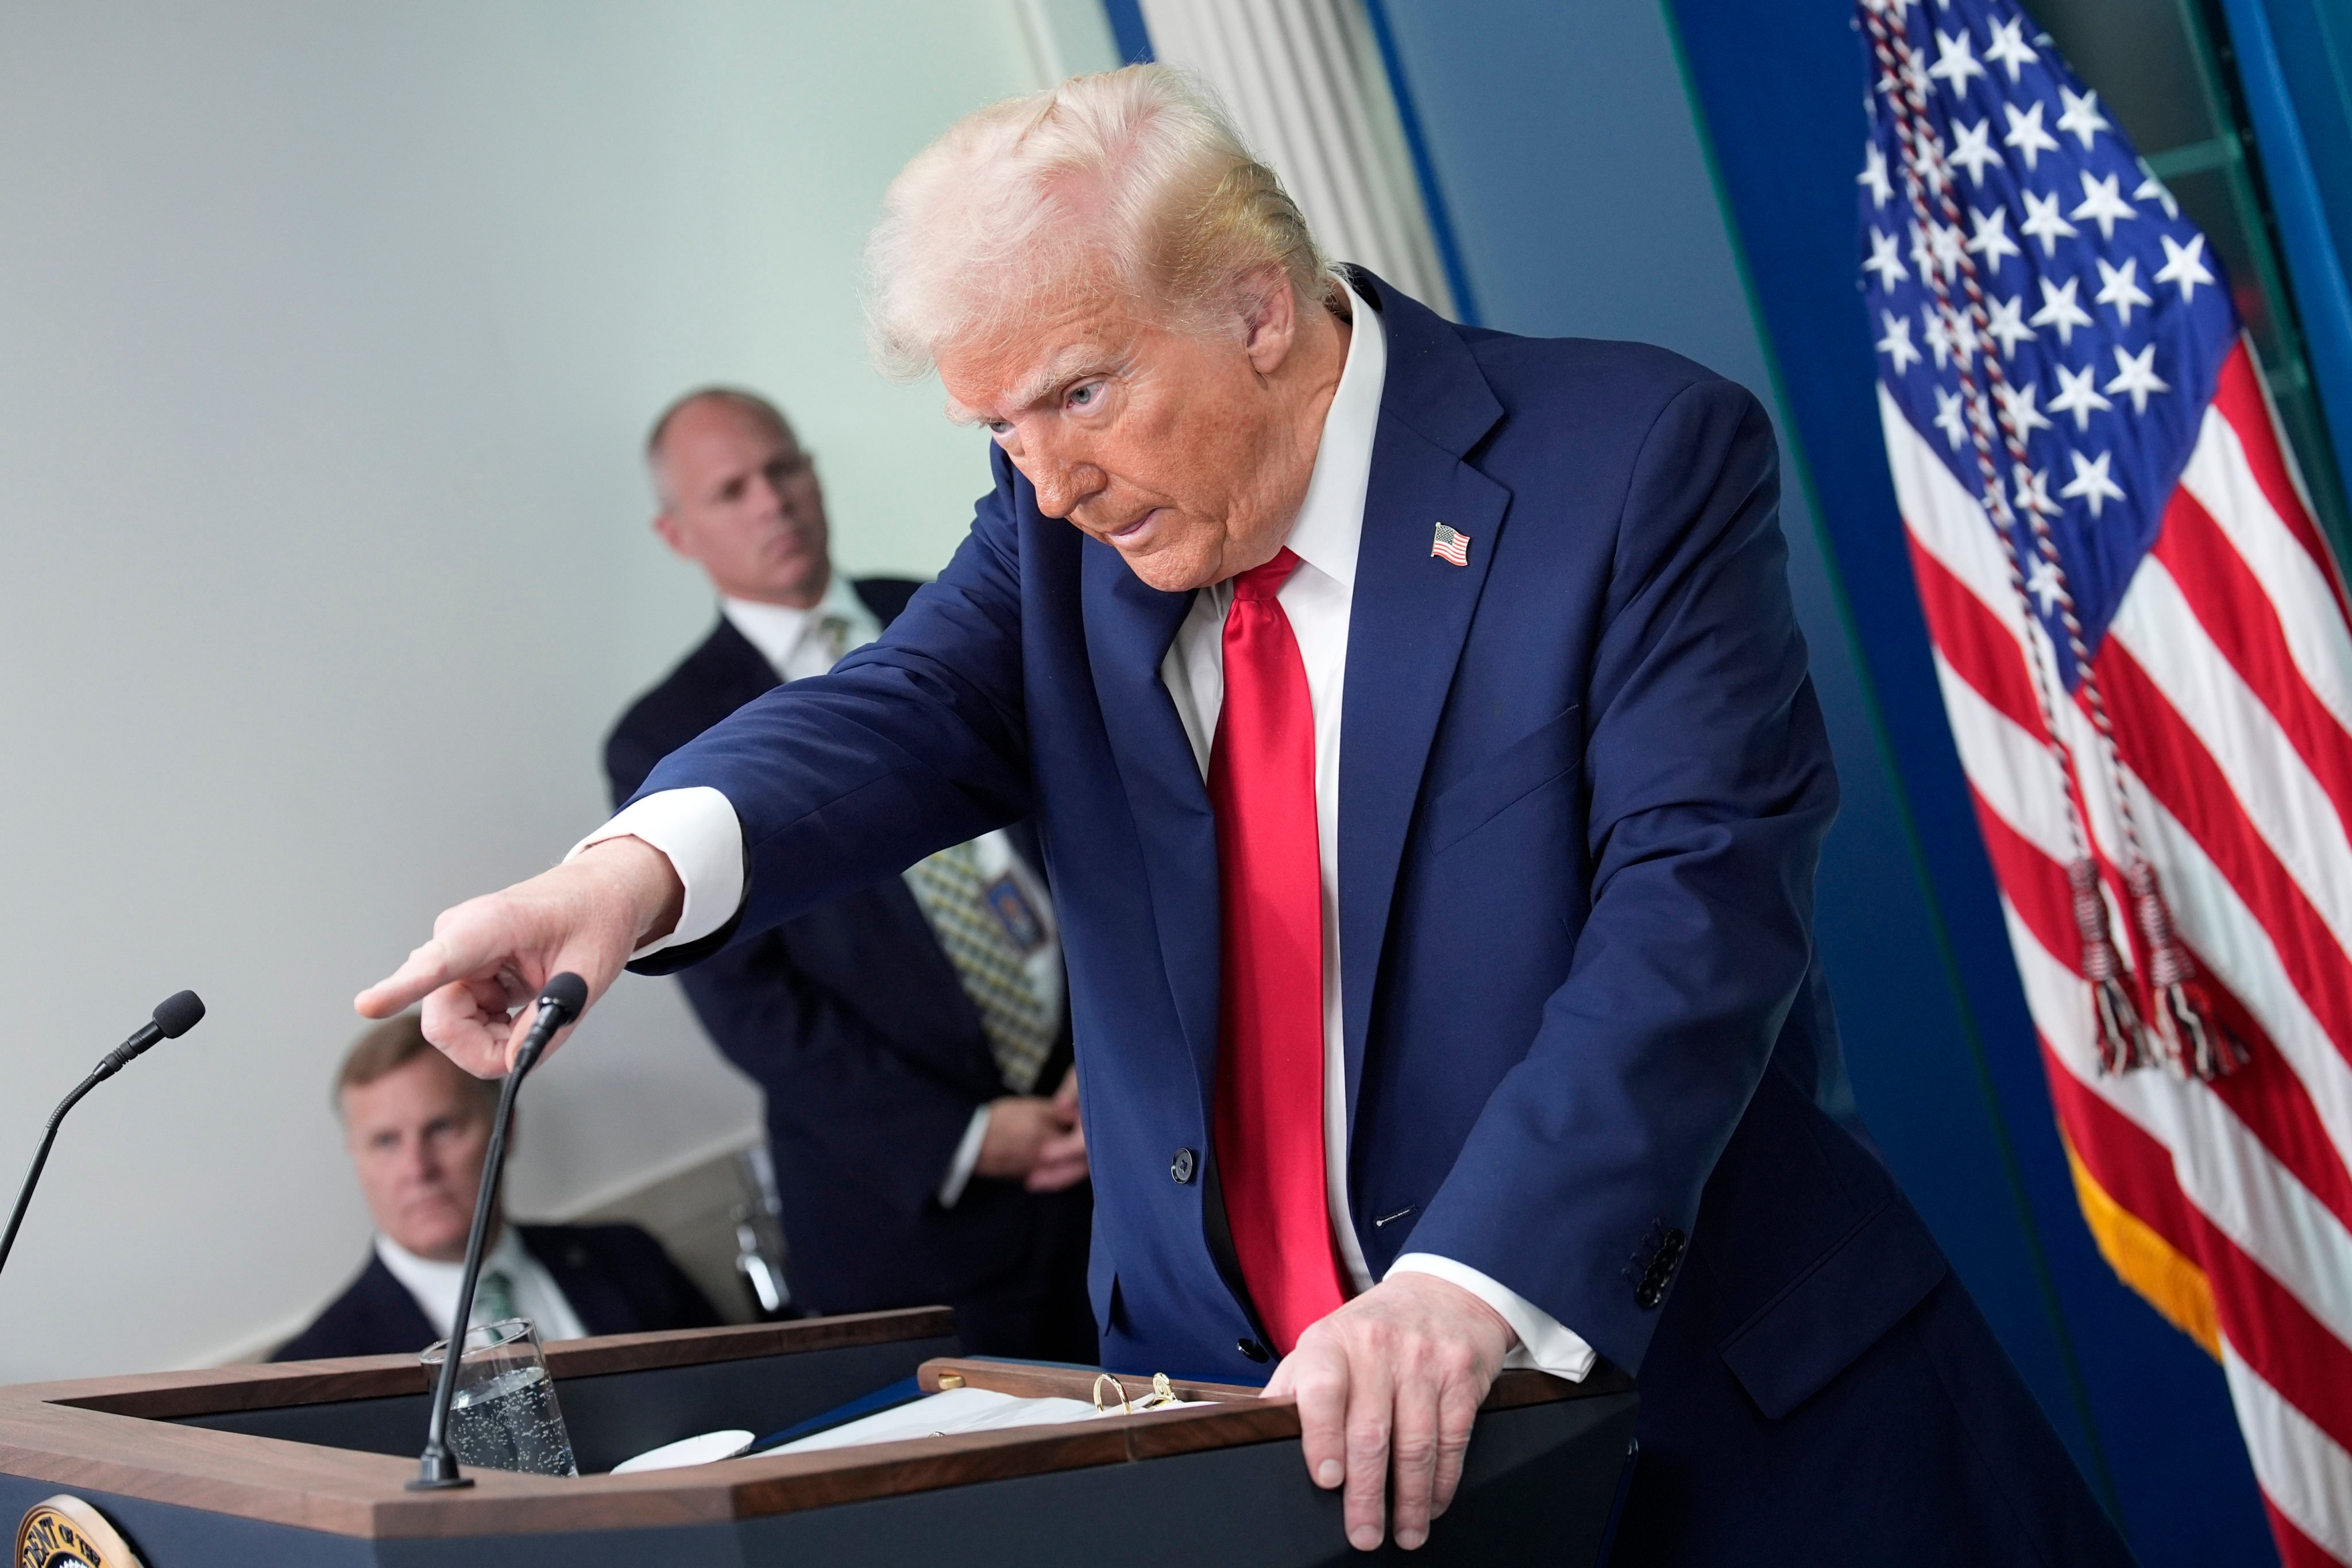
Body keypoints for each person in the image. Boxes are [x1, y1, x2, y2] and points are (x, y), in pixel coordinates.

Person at [358, 65, 2131, 1563]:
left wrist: (1473, 1276)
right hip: (1282, 1474)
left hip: (1720, 1436)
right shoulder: (1063, 533)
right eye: (1001, 426)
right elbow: (888, 710)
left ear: (1257, 305)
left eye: (1075, 392)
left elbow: (1697, 910)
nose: (1047, 477)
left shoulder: (1634, 461)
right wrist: (620, 877)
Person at [604, 387, 1094, 1361]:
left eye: (784, 469)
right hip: (916, 1216)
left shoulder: (947, 611)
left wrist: (1115, 1045)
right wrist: (958, 1135)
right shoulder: (665, 740)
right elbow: (752, 1008)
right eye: (732, 490)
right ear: (677, 533)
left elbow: (1093, 825)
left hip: (1109, 1124)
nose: (771, 503)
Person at [273, 1013, 719, 1361]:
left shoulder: (629, 1259)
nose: (417, 1168)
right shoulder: (316, 1364)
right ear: (356, 1158)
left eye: (442, 1128)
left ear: (505, 1129)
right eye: (386, 1142)